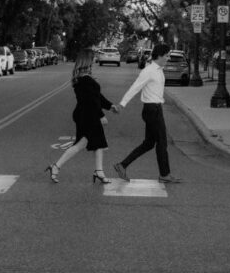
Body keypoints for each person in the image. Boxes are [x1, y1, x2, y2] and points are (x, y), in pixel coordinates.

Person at [46, 48, 119, 185]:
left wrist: (110, 106)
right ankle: (57, 166)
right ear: (87, 61)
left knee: (93, 144)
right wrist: (101, 115)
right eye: (93, 58)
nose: (95, 60)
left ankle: (97, 171)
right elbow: (92, 101)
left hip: (85, 114)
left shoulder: (83, 78)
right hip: (88, 116)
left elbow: (98, 97)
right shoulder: (85, 80)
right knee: (86, 144)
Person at [113, 43, 180, 184]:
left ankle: (122, 165)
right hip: (151, 110)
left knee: (149, 143)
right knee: (162, 142)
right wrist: (122, 104)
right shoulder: (149, 71)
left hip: (156, 109)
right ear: (160, 55)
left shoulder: (159, 70)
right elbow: (135, 88)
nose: (168, 58)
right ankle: (164, 174)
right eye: (167, 55)